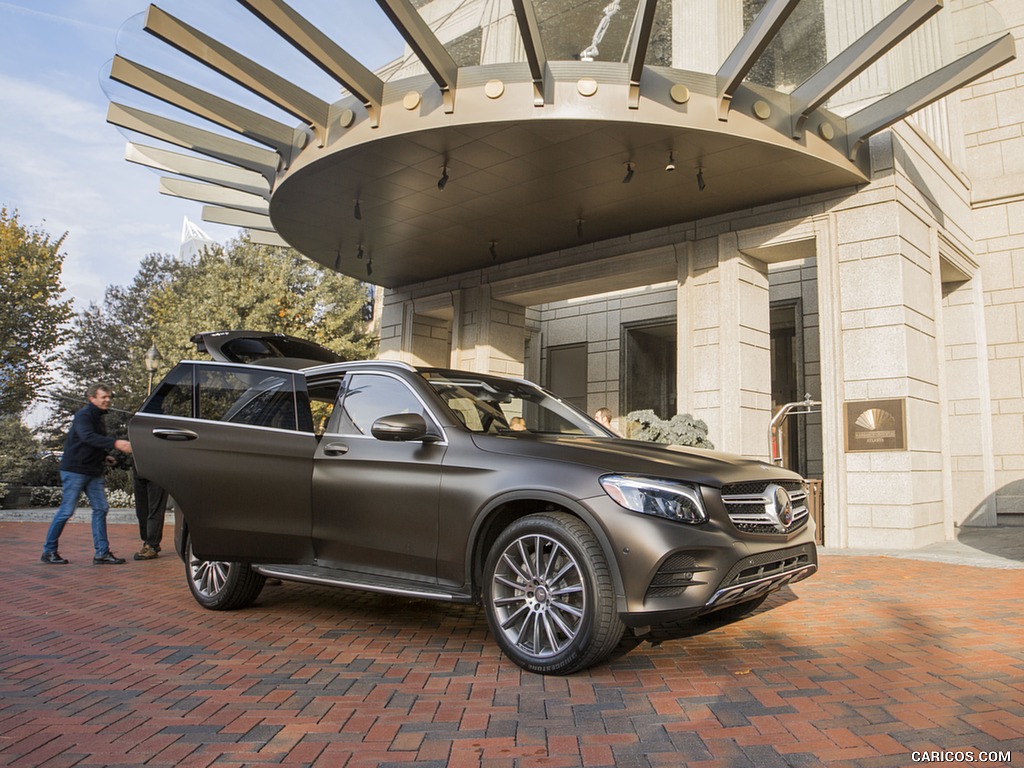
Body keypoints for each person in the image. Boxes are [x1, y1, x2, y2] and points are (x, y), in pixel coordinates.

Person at [41, 383, 132, 565]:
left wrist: (104, 456)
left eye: (108, 397)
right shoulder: (84, 415)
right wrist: (116, 444)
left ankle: (102, 553)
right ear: (92, 399)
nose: (107, 400)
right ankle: (49, 551)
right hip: (75, 470)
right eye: (103, 397)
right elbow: (87, 437)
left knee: (101, 508)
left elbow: (89, 443)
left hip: (93, 471)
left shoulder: (98, 417)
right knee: (67, 511)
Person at [132, 470, 168, 560]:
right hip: (139, 471)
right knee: (141, 511)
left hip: (158, 471)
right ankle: (147, 542)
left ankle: (152, 545)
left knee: (155, 509)